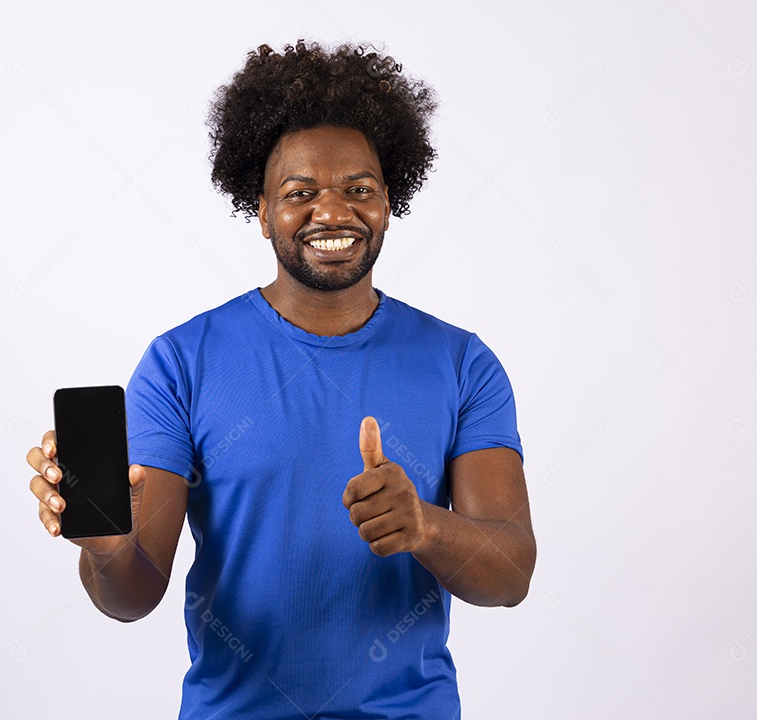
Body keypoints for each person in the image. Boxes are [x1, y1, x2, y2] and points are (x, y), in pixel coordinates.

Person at [26, 39, 536, 719]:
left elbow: (511, 575)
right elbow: (133, 595)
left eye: (359, 190)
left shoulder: (462, 363)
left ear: (388, 202)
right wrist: (107, 547)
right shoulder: (180, 363)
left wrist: (425, 526)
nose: (333, 212)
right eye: (301, 194)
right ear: (263, 211)